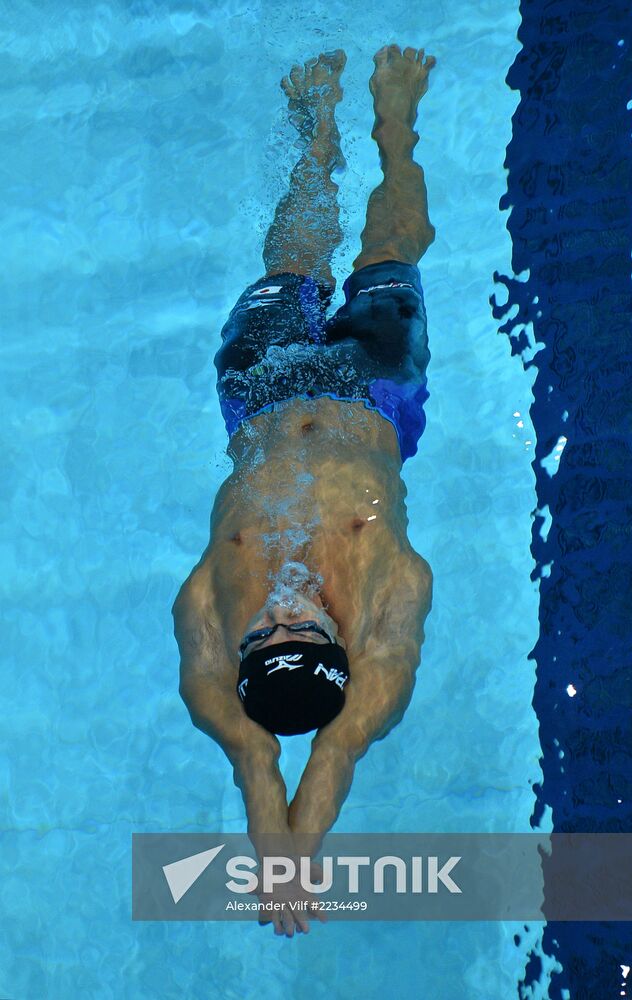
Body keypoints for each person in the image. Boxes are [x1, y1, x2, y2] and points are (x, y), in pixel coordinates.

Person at [172, 44, 436, 936]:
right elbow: (335, 751)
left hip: (260, 394)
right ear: (342, 643)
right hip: (376, 396)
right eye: (305, 625)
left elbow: (256, 759)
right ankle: (396, 127)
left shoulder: (209, 626)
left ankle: (316, 131)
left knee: (291, 256)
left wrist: (269, 864)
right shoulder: (392, 608)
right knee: (390, 248)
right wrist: (301, 864)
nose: (283, 604)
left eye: (266, 631)